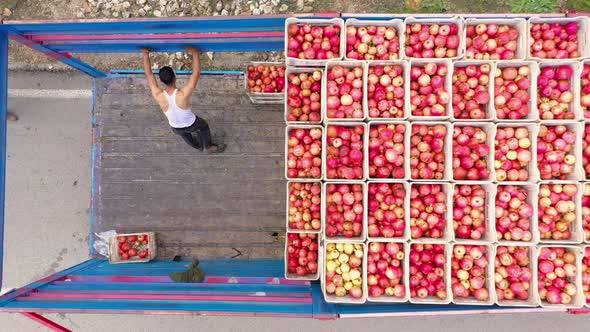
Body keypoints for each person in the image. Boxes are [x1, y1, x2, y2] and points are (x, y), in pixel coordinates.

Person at [141, 47, 224, 153]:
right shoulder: (183, 95)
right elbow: (196, 73)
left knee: (185, 136)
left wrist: (145, 53)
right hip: (192, 124)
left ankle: (197, 146)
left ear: (161, 81)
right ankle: (208, 146)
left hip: (175, 127)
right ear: (175, 77)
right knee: (203, 126)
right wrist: (194, 52)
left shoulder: (158, 95)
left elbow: (149, 75)